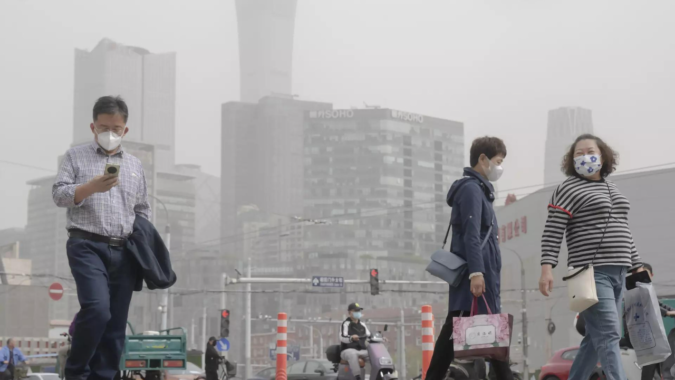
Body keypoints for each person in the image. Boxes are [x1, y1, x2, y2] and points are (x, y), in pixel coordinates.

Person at [53, 96, 151, 380]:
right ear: (93, 126)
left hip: (124, 250)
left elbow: (143, 208)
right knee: (97, 310)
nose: (110, 133)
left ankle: (103, 376)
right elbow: (59, 195)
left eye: (116, 128)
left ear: (125, 130)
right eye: (104, 127)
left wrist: (143, 244)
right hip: (86, 245)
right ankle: (76, 373)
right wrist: (90, 187)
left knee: (115, 326)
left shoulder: (135, 166)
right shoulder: (75, 156)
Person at [539, 134, 643, 380]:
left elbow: (623, 229)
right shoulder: (567, 188)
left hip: (619, 271)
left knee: (593, 338)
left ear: (603, 155)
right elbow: (553, 230)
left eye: (590, 151)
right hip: (591, 274)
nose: (585, 157)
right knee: (609, 334)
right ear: (571, 160)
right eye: (578, 154)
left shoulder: (611, 187)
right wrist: (547, 268)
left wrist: (637, 264)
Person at [426, 136, 511, 380]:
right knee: (475, 332)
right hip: (475, 276)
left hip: (483, 276)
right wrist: (477, 272)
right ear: (482, 159)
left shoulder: (481, 190)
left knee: (486, 334)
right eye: (498, 161)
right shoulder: (472, 189)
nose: (500, 167)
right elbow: (472, 234)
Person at [620, 263, 675, 380]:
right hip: (636, 335)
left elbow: (660, 304)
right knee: (654, 355)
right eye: (635, 274)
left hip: (646, 334)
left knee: (656, 357)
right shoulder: (635, 293)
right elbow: (650, 305)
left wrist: (671, 311)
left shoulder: (648, 291)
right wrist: (667, 313)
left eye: (643, 273)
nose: (639, 277)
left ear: (651, 275)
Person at [340, 303, 371, 380]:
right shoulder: (345, 324)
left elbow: (369, 336)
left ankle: (380, 374)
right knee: (352, 354)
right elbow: (342, 337)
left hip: (362, 350)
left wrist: (381, 338)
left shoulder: (363, 325)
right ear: (350, 312)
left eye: (359, 311)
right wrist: (351, 338)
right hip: (347, 350)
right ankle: (357, 377)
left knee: (374, 354)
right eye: (356, 310)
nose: (358, 312)